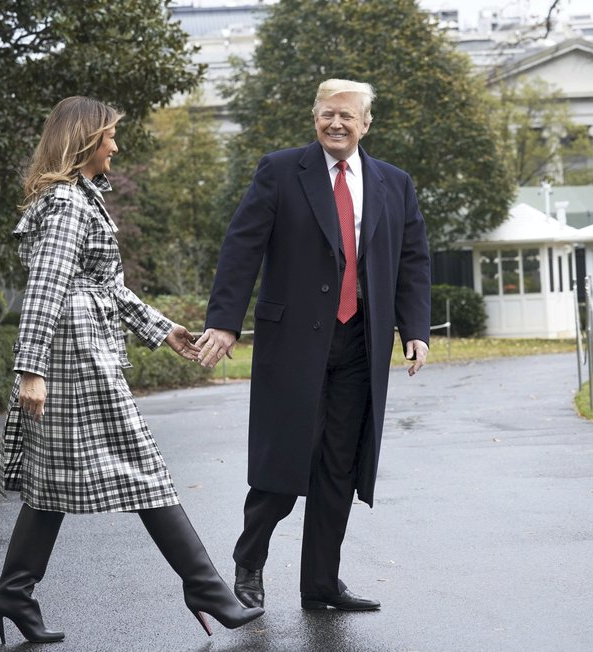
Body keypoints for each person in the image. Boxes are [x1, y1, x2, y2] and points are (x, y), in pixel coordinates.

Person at [0, 96, 263, 644]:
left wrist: (164, 330)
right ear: (87, 141)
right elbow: (46, 288)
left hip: (83, 348)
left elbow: (108, 286)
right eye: (111, 136)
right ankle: (205, 586)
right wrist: (30, 370)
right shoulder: (68, 203)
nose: (117, 145)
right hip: (76, 356)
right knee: (143, 465)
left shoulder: (79, 200)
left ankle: (14, 593)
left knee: (52, 482)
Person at [196, 79, 431, 612]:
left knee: (337, 469)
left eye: (347, 116)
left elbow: (413, 259)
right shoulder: (281, 170)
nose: (336, 124)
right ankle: (249, 562)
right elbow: (242, 246)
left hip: (360, 345)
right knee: (284, 465)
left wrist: (413, 328)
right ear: (315, 117)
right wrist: (225, 322)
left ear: (366, 123)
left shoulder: (394, 183)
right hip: (292, 346)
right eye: (328, 115)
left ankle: (321, 583)